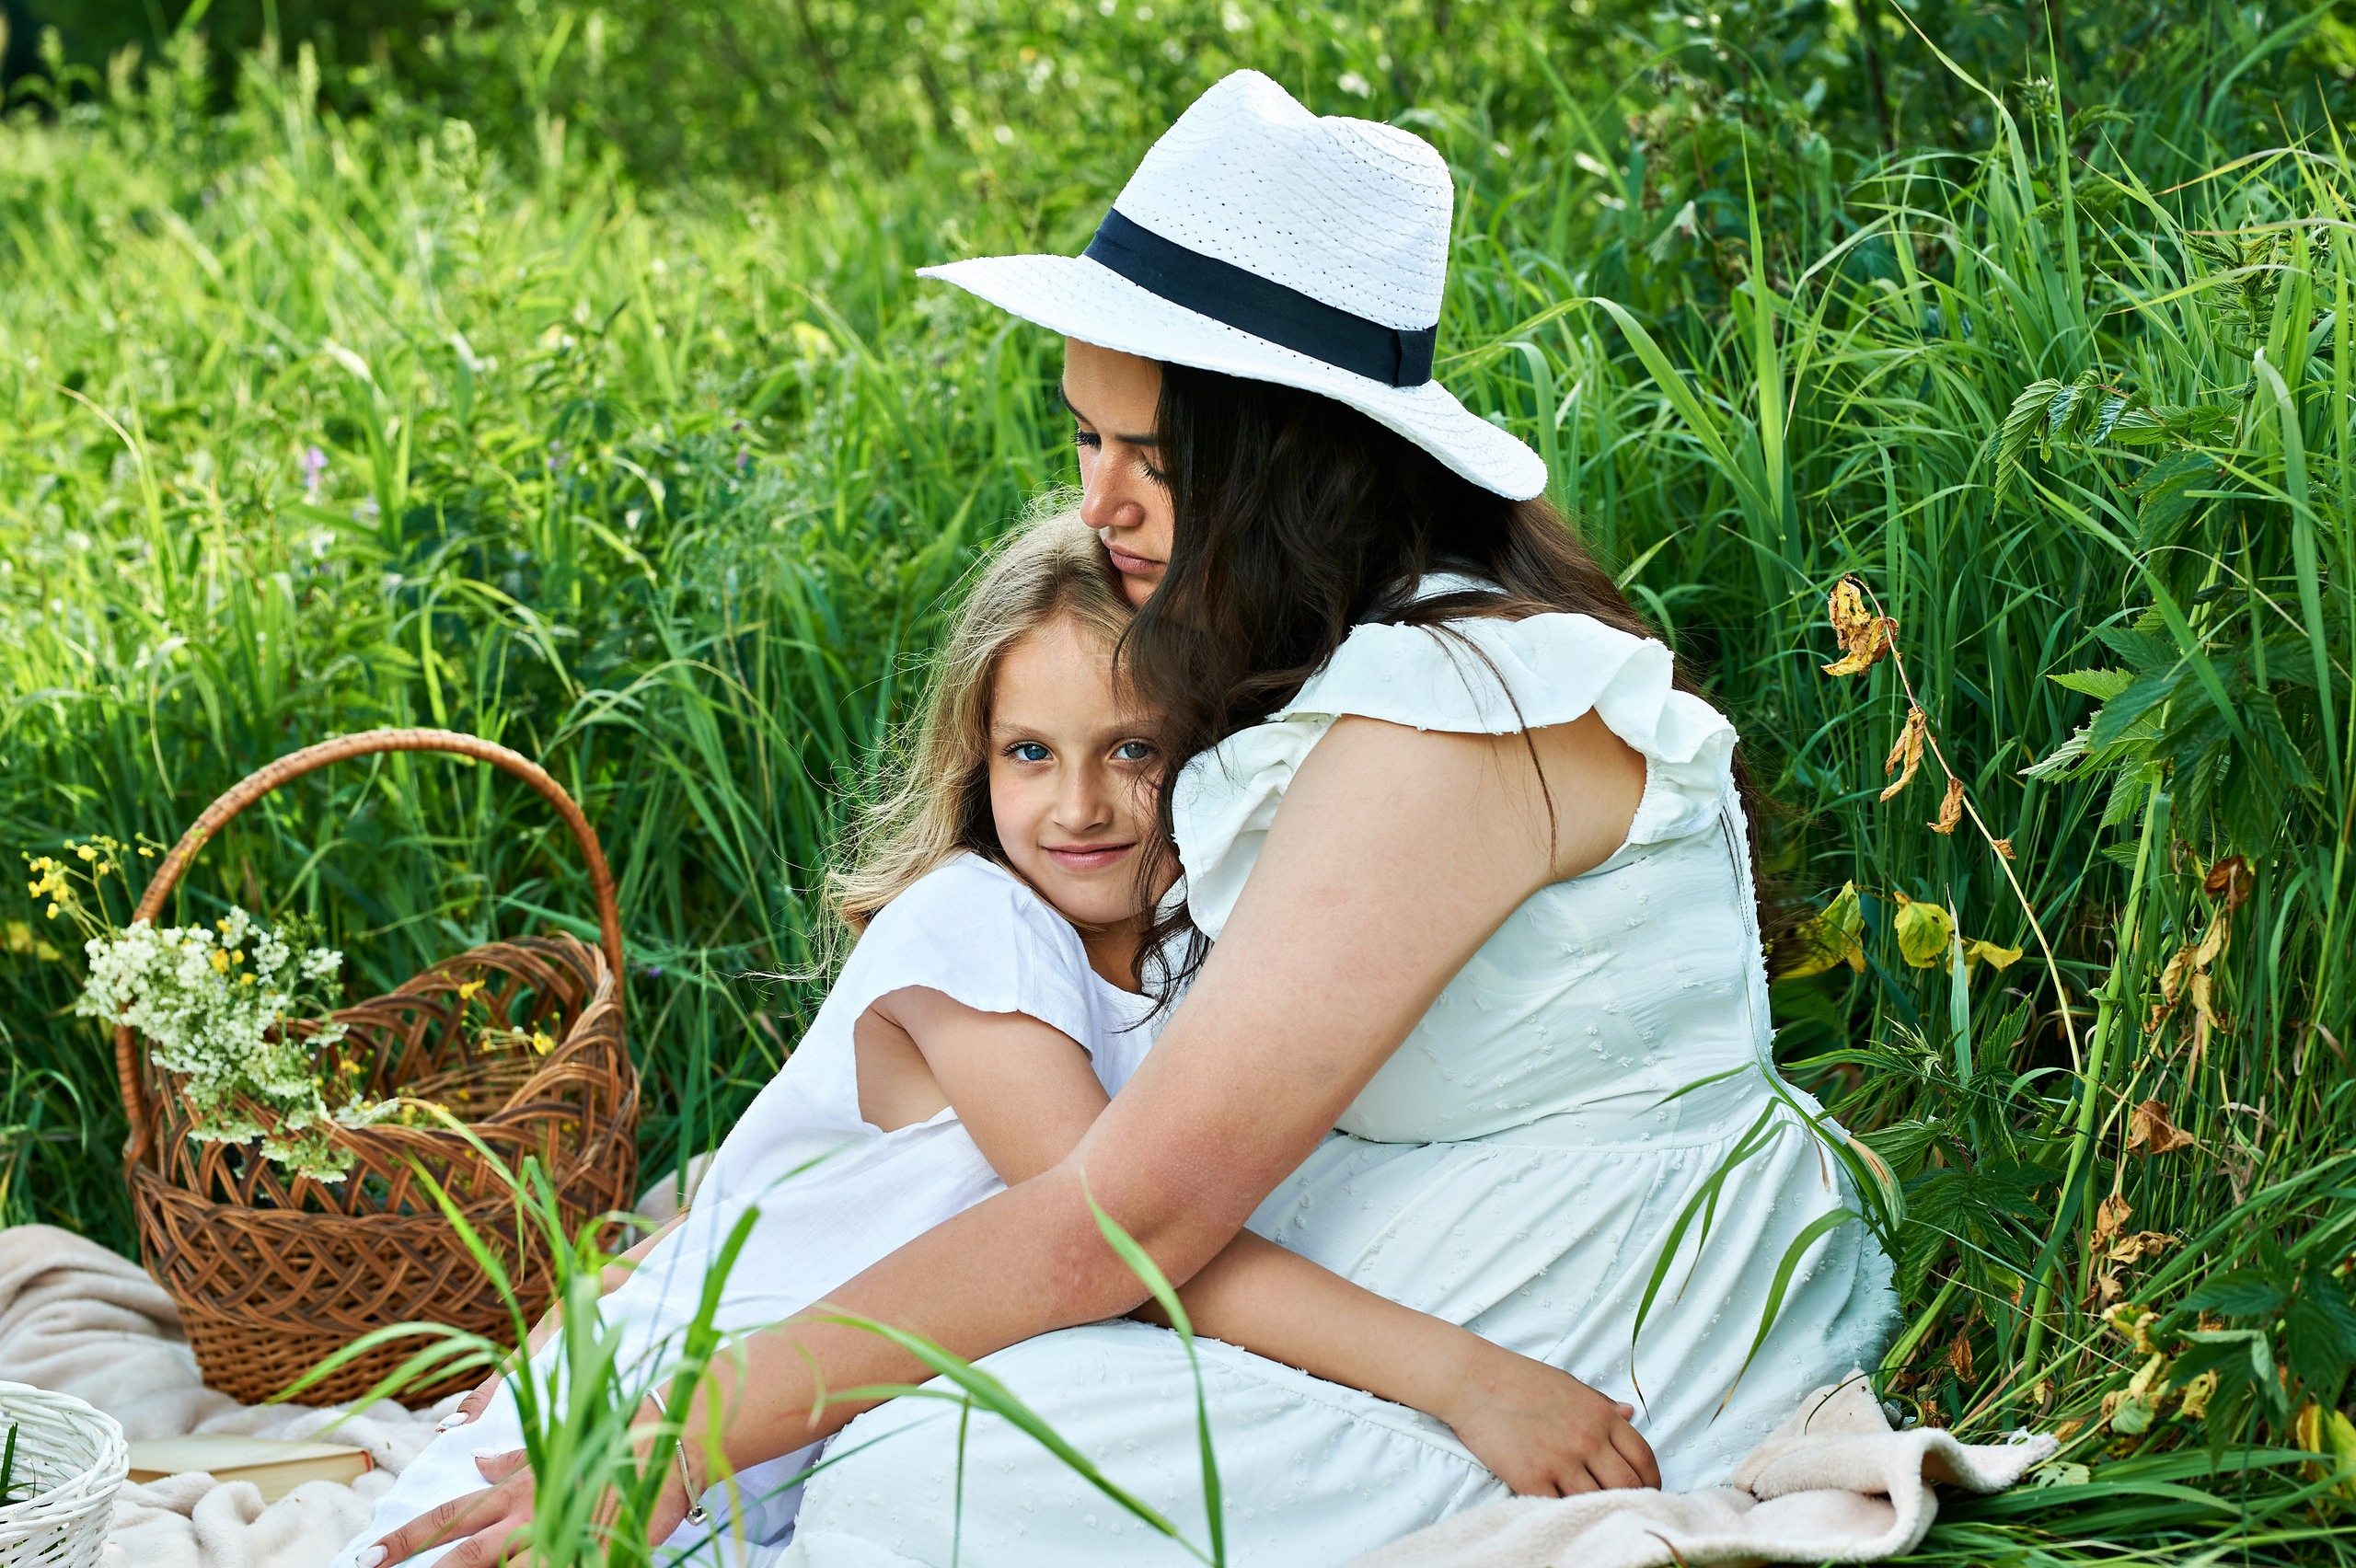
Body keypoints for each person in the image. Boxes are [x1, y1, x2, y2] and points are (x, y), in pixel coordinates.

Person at [358, 69, 1897, 1568]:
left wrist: (698, 1424)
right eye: (1087, 440)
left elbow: (1124, 1209)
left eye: (1154, 459)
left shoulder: (1457, 713)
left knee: (920, 1482)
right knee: (914, 1440)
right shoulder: (1362, 672)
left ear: (1295, 457)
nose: (1100, 507)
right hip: (1429, 1255)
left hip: (1595, 1297)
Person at [336, 510, 1656, 1568]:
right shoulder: (973, 926)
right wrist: (1465, 1376)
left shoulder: (1210, 954)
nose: (1076, 805)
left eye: (1132, 749)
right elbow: (1127, 1234)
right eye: (1029, 752)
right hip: (674, 1416)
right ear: (973, 758)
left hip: (806, 1439)